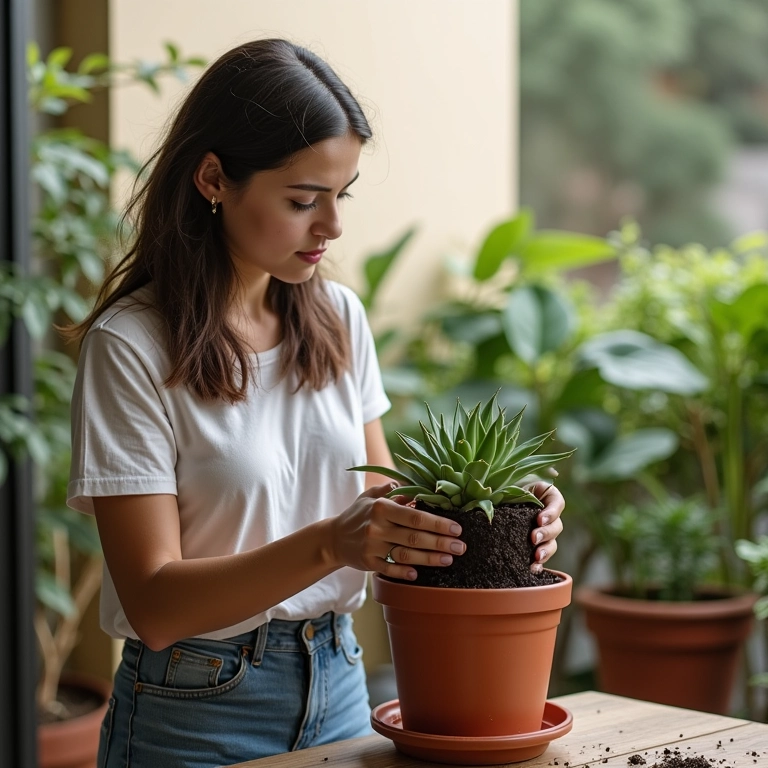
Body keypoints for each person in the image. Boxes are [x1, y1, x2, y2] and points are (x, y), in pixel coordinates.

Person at [65, 38, 566, 768]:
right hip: (194, 713)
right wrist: (332, 544)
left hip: (340, 688)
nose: (331, 226)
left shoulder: (337, 316)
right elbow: (154, 604)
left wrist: (499, 515)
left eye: (341, 195)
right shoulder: (132, 347)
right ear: (213, 178)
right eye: (303, 200)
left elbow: (382, 508)